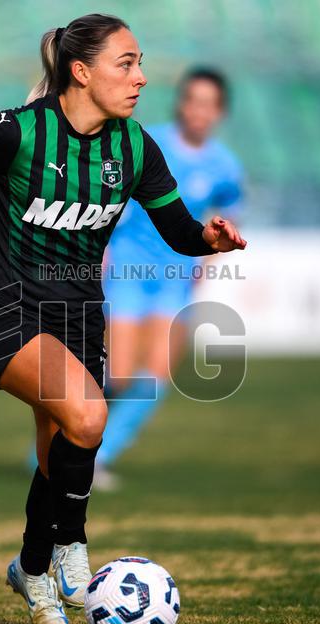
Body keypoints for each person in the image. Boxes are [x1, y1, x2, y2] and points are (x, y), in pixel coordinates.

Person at [0, 14, 246, 624]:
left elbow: (178, 231)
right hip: (0, 310)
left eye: (141, 63)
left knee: (59, 451)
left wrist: (208, 239)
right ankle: (70, 545)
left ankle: (32, 573)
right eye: (127, 63)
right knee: (89, 415)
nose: (141, 77)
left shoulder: (136, 146)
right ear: (81, 71)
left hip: (78, 317)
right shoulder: (18, 132)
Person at [96, 67, 244, 491]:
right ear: (181, 103)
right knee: (118, 374)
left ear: (220, 112)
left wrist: (207, 262)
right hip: (128, 267)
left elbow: (227, 216)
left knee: (158, 373)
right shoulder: (148, 142)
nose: (199, 111)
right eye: (192, 100)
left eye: (209, 104)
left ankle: (98, 456)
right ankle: (58, 445)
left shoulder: (224, 165)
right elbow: (112, 193)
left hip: (174, 275)